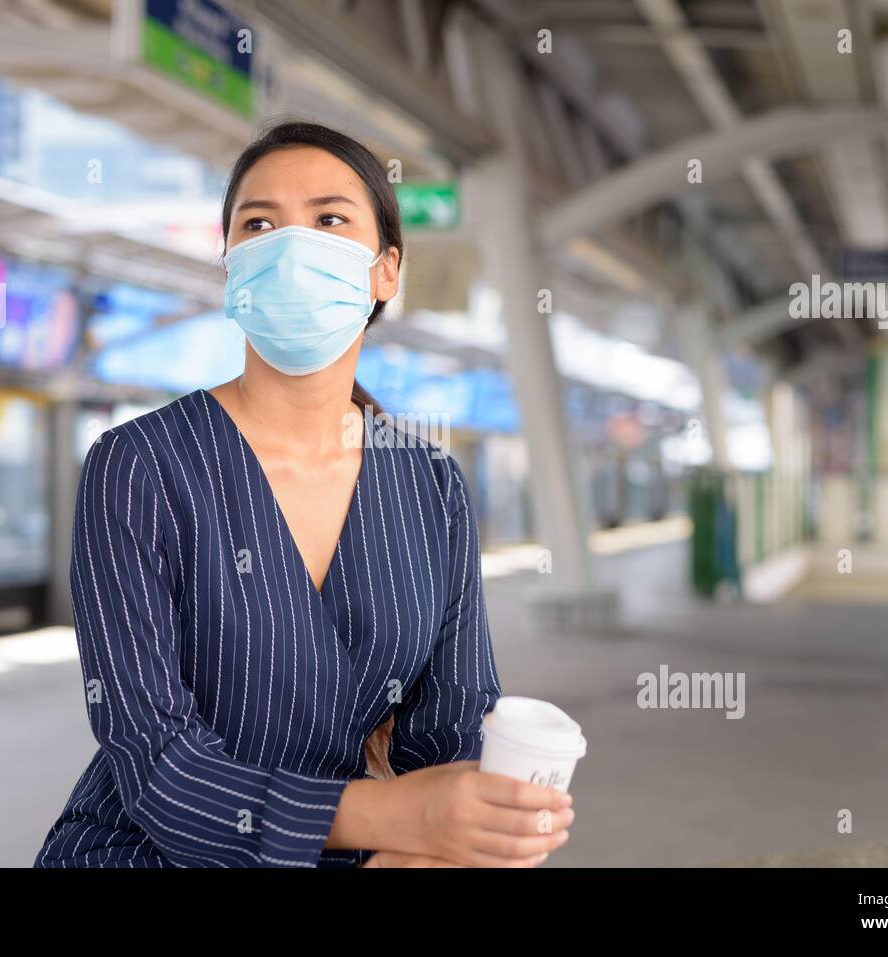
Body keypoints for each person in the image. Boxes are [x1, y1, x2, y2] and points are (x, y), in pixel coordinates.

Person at [34, 121, 575, 867]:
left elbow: (452, 728)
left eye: (329, 219)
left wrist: (484, 818)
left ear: (387, 270)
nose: (291, 247)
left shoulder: (430, 487)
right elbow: (156, 761)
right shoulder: (138, 465)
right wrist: (395, 816)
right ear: (231, 266)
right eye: (259, 223)